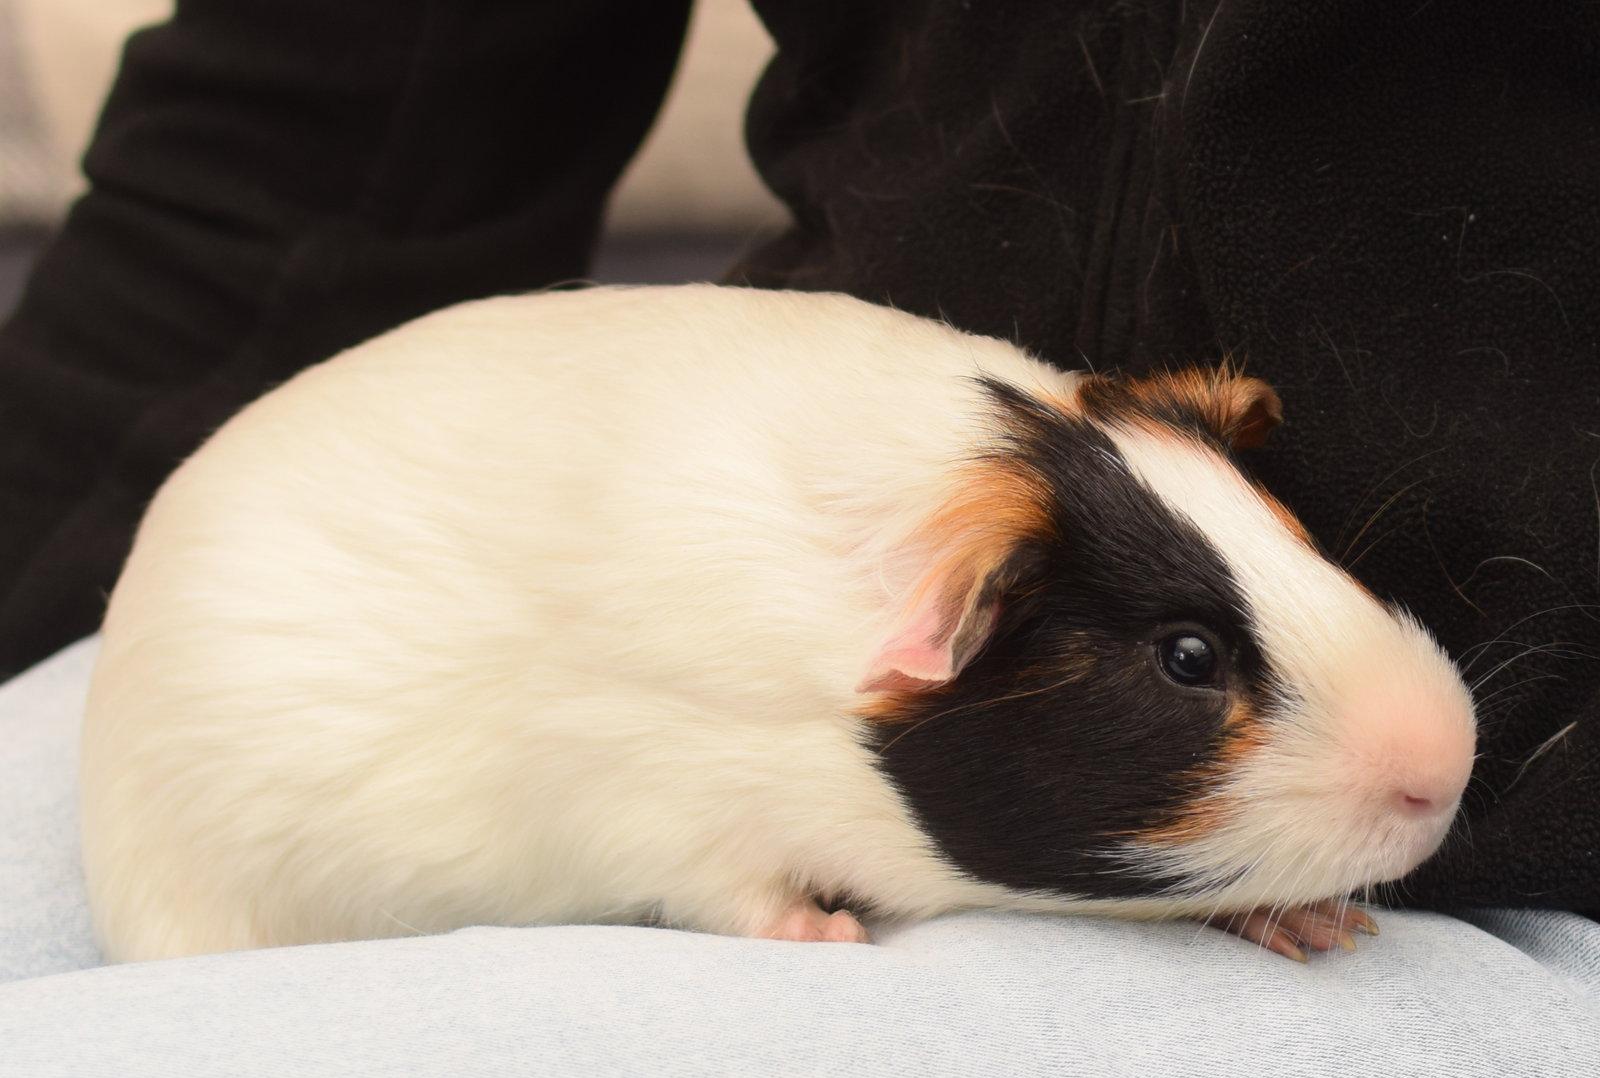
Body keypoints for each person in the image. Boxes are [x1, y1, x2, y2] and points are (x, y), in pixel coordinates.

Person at [1, 0, 1596, 914]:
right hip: (252, 789)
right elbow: (304, 168)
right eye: (1193, 657)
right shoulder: (812, 631)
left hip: (1524, 886)